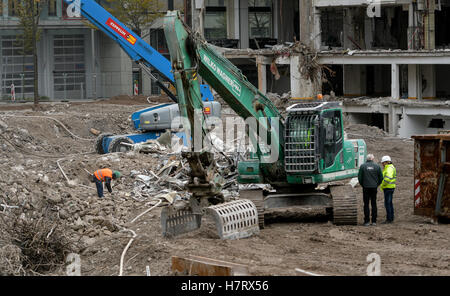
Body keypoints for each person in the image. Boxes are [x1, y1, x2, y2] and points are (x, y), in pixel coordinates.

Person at [358, 154, 383, 226]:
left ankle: (366, 221)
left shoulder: (363, 166)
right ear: (373, 159)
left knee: (366, 204)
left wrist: (363, 184)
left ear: (367, 159)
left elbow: (360, 177)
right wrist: (376, 184)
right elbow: (381, 178)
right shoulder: (377, 166)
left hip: (366, 187)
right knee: (374, 203)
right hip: (374, 187)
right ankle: (374, 221)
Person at [380, 155, 396, 224]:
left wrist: (382, 185)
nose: (382, 164)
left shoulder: (389, 168)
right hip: (390, 187)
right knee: (389, 203)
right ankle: (391, 217)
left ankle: (389, 219)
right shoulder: (389, 167)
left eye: (383, 163)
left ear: (386, 162)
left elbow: (387, 178)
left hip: (388, 188)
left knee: (387, 203)